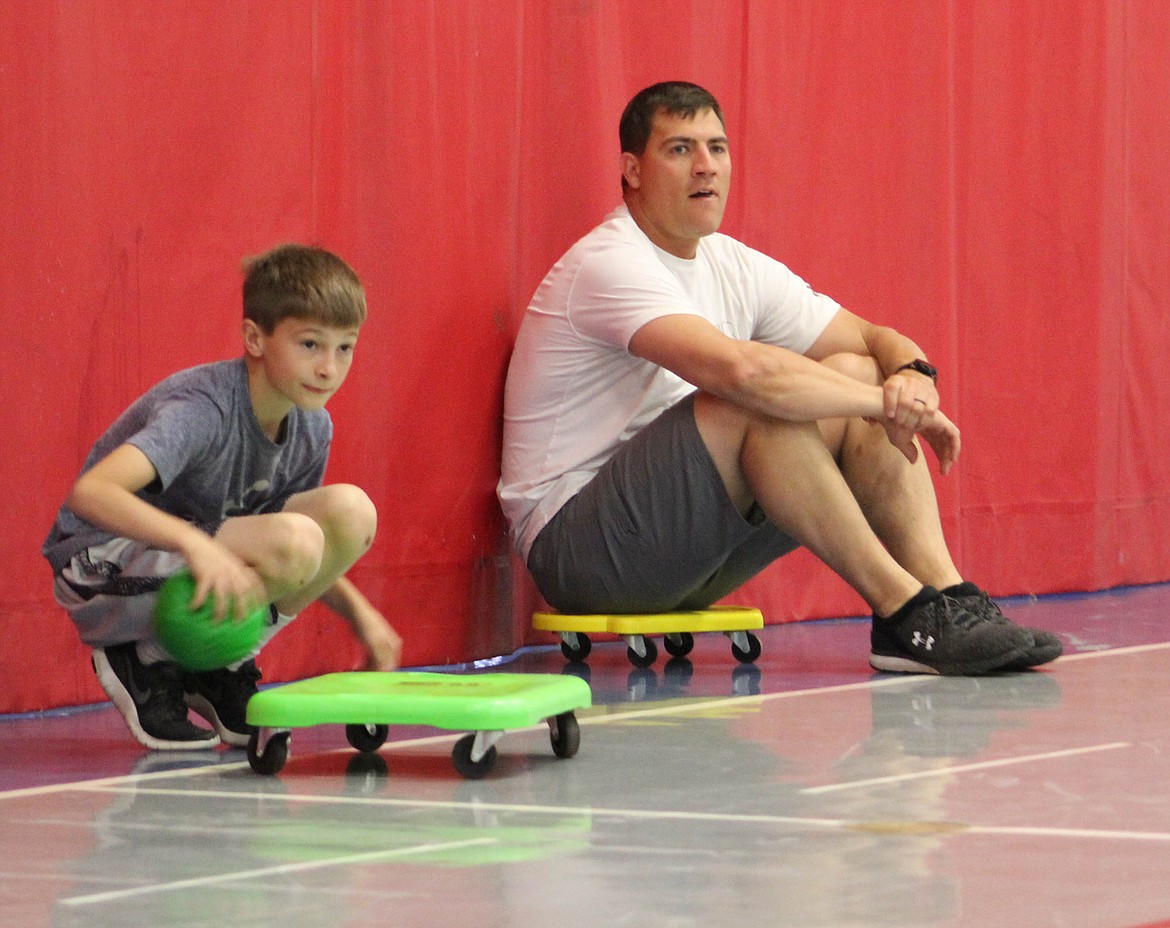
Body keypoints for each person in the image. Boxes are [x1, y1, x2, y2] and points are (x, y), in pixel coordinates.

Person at [498, 81, 1060, 676]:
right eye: (681, 150)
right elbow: (740, 372)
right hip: (580, 553)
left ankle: (945, 596)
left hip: (677, 551)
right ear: (632, 170)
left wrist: (911, 377)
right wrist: (885, 403)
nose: (706, 168)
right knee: (756, 400)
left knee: (853, 369)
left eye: (717, 147)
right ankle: (903, 609)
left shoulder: (730, 262)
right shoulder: (609, 263)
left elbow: (872, 339)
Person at [43, 244, 403, 751]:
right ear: (255, 338)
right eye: (310, 345)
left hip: (185, 564)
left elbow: (295, 557)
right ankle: (143, 660)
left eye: (345, 347)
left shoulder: (311, 427)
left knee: (349, 513)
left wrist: (363, 618)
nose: (329, 367)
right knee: (296, 535)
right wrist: (198, 545)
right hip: (97, 563)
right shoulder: (204, 408)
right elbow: (91, 494)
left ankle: (214, 665)